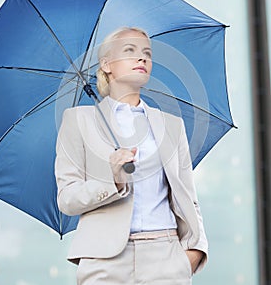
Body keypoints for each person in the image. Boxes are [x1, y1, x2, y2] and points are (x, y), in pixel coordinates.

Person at [55, 27, 208, 285]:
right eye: (130, 51)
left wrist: (193, 252)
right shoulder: (78, 120)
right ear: (106, 64)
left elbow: (188, 197)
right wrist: (112, 180)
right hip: (103, 261)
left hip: (166, 256)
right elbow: (67, 198)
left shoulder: (171, 124)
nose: (142, 58)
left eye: (147, 53)